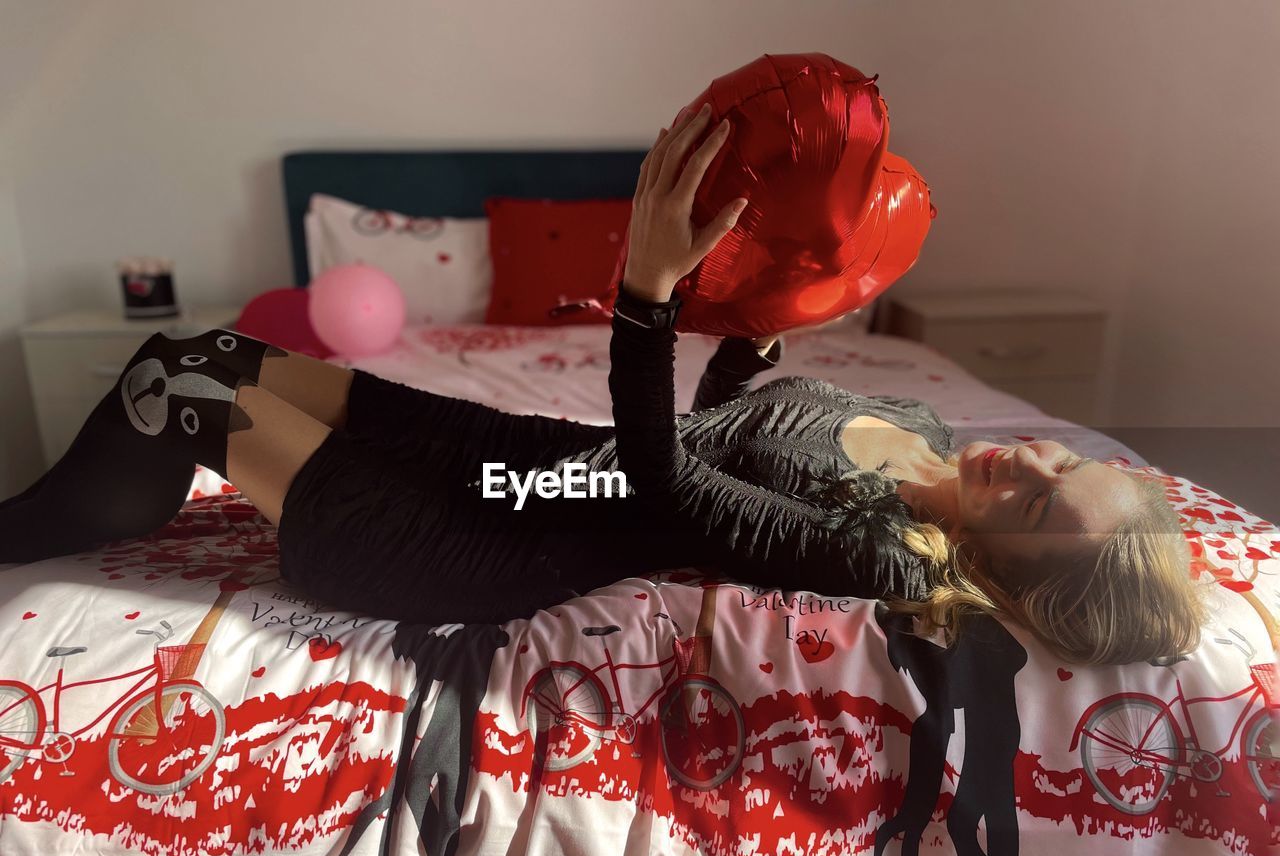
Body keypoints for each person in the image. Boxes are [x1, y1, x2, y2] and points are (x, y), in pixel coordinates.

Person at [0, 104, 1208, 664]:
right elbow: (730, 418)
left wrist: (648, 294)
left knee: (182, 394)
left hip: (469, 544)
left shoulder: (890, 556)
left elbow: (669, 480)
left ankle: (23, 532)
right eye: (1068, 467)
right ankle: (77, 512)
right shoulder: (921, 424)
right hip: (520, 463)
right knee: (194, 354)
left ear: (1008, 572)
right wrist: (776, 302)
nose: (1035, 464)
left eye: (1039, 509)